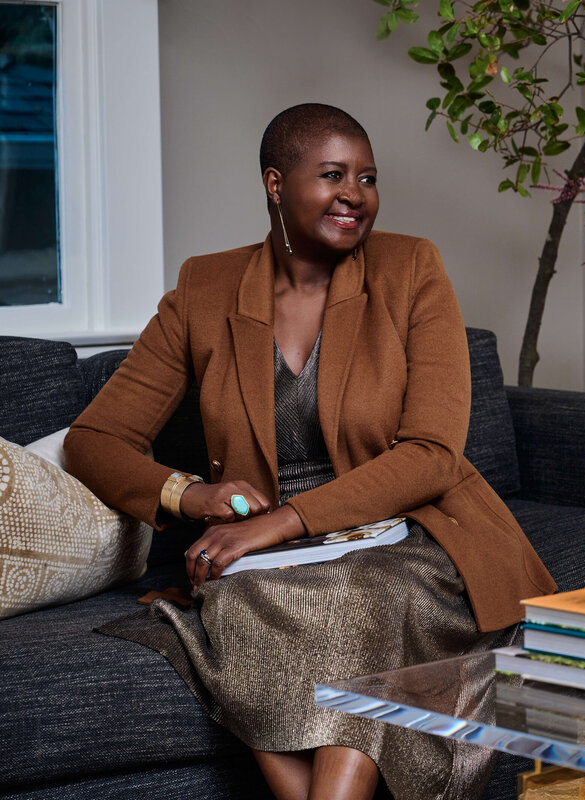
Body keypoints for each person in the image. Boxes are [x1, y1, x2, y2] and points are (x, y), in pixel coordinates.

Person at [64, 103, 556, 800]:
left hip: (414, 535)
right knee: (243, 604)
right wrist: (193, 497)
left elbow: (432, 454)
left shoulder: (411, 268)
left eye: (368, 178)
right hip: (270, 560)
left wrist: (282, 519)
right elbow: (94, 440)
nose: (356, 194)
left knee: (360, 603)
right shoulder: (205, 290)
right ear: (275, 183)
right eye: (332, 175)